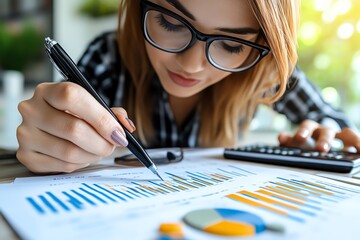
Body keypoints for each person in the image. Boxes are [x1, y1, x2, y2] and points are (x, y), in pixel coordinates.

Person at [16, 0, 360, 173]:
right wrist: (55, 137)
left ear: (262, 48)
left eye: (231, 45)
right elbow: (64, 121)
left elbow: (330, 118)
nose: (192, 64)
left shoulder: (262, 70)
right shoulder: (109, 57)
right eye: (170, 22)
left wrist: (327, 131)